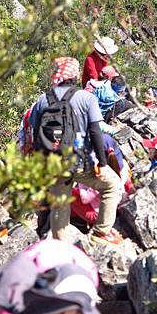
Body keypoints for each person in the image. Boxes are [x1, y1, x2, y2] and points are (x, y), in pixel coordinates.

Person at [29, 57, 123, 244]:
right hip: (81, 161)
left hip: (53, 164)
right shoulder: (86, 98)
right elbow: (96, 131)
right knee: (112, 185)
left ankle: (60, 244)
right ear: (74, 75)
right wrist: (103, 164)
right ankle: (101, 232)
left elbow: (35, 131)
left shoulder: (42, 100)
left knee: (60, 203)